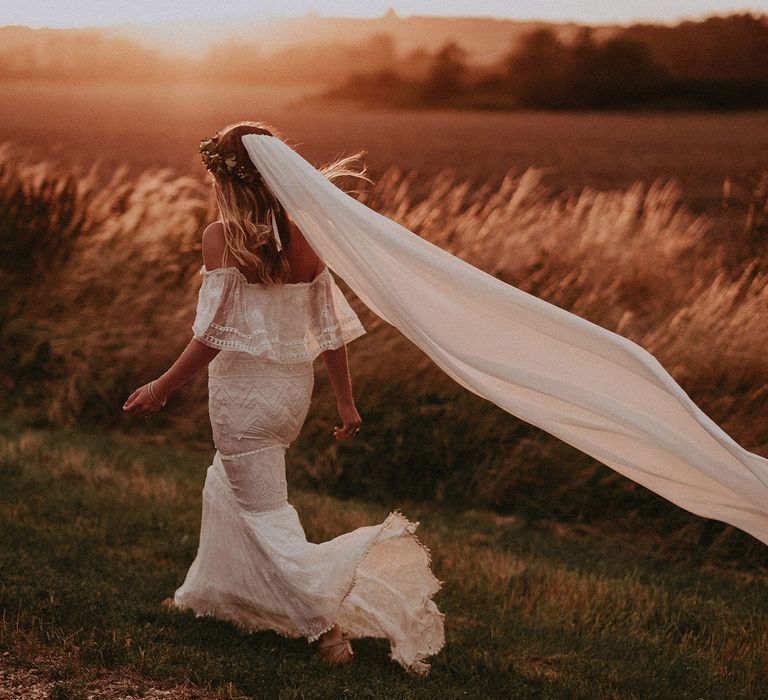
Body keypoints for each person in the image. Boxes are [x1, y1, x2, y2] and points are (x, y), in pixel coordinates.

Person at [122, 121, 445, 674]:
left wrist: (160, 387)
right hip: (292, 394)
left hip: (243, 398)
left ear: (226, 179)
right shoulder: (309, 237)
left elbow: (212, 335)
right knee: (226, 484)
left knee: (267, 513)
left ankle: (328, 631)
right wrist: (345, 402)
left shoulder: (221, 238)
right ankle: (201, 596)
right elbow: (331, 331)